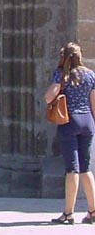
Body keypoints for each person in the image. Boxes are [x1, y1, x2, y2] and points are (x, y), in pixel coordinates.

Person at [45, 42, 95, 224]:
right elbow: (94, 103)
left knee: (72, 168)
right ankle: (92, 211)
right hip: (87, 121)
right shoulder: (90, 75)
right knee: (86, 168)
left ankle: (68, 213)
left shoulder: (61, 75)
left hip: (69, 121)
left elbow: (48, 97)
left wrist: (58, 85)